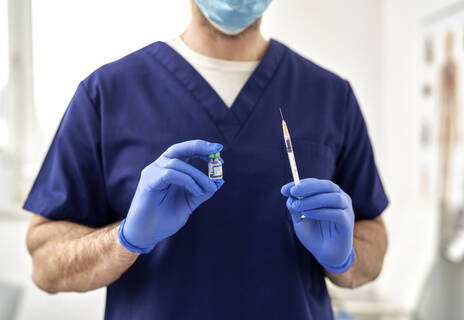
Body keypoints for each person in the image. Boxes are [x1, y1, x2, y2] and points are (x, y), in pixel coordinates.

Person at [24, 1, 389, 319]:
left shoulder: (329, 96)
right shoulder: (106, 93)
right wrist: (125, 239)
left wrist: (345, 258)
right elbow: (45, 263)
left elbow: (373, 239)